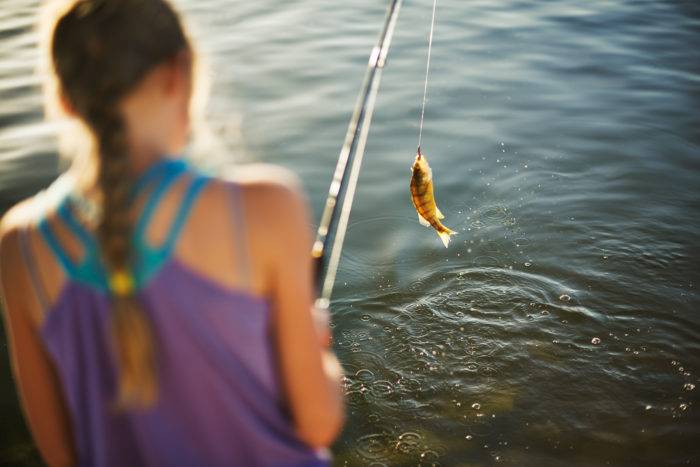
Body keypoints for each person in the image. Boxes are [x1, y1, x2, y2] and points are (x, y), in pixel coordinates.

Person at [0, 0, 345, 465]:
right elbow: (318, 423)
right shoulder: (267, 206)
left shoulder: (20, 244)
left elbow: (62, 456)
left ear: (62, 98)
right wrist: (319, 354)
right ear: (177, 73)